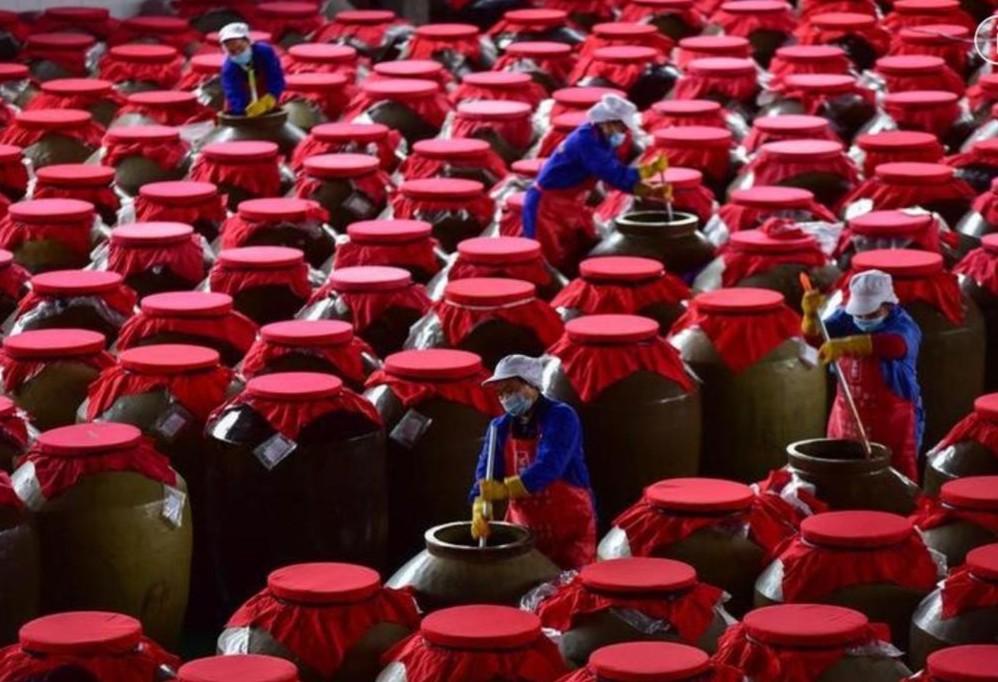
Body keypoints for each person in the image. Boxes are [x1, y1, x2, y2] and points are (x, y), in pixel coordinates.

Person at [470, 354, 596, 570]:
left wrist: (505, 489)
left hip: (568, 526)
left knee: (569, 585)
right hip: (524, 527)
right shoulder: (499, 427)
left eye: (510, 390)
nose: (505, 398)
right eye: (500, 393)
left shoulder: (562, 417)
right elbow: (487, 471)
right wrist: (479, 503)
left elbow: (550, 465)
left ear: (533, 384)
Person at [523, 94, 666, 275]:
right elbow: (613, 176)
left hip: (571, 203)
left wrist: (648, 179)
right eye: (621, 128)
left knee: (576, 252)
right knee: (548, 262)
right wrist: (649, 182)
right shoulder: (587, 142)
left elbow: (614, 168)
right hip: (547, 206)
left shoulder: (600, 138)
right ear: (607, 122)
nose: (622, 133)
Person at [803, 270, 924, 480]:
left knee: (893, 478)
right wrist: (810, 317)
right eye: (859, 314)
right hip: (847, 416)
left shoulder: (903, 325)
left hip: (893, 421)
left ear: (888, 305)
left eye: (871, 314)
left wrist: (848, 344)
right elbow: (816, 340)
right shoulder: (847, 318)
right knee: (843, 474)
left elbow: (897, 345)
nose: (863, 319)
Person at [218, 22, 286, 118]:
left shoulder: (264, 52)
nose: (237, 53)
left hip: (265, 93)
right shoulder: (229, 69)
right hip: (242, 100)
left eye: (241, 48)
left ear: (248, 42)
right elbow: (233, 92)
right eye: (232, 51)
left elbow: (275, 75)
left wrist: (272, 96)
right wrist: (243, 110)